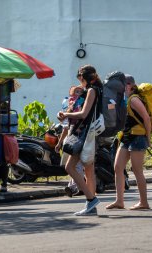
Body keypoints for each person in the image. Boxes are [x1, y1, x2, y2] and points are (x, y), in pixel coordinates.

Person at [58, 65, 102, 216]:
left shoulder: (92, 90)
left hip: (84, 133)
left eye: (80, 79)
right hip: (87, 133)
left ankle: (91, 199)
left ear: (83, 77)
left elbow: (84, 114)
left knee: (70, 167)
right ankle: (91, 204)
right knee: (87, 170)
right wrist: (67, 112)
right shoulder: (96, 89)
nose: (79, 82)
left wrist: (66, 115)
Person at [106, 74, 151, 210]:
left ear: (129, 85)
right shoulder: (124, 99)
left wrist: (148, 138)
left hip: (138, 137)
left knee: (137, 170)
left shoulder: (134, 99)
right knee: (118, 167)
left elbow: (146, 118)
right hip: (126, 137)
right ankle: (119, 201)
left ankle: (144, 202)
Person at [55, 86, 86, 197]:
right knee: (73, 166)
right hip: (71, 139)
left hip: (78, 138)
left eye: (80, 92)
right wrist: (59, 143)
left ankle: (77, 187)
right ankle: (75, 186)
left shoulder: (83, 108)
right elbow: (65, 127)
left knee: (75, 166)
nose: (78, 94)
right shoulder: (70, 109)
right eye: (75, 92)